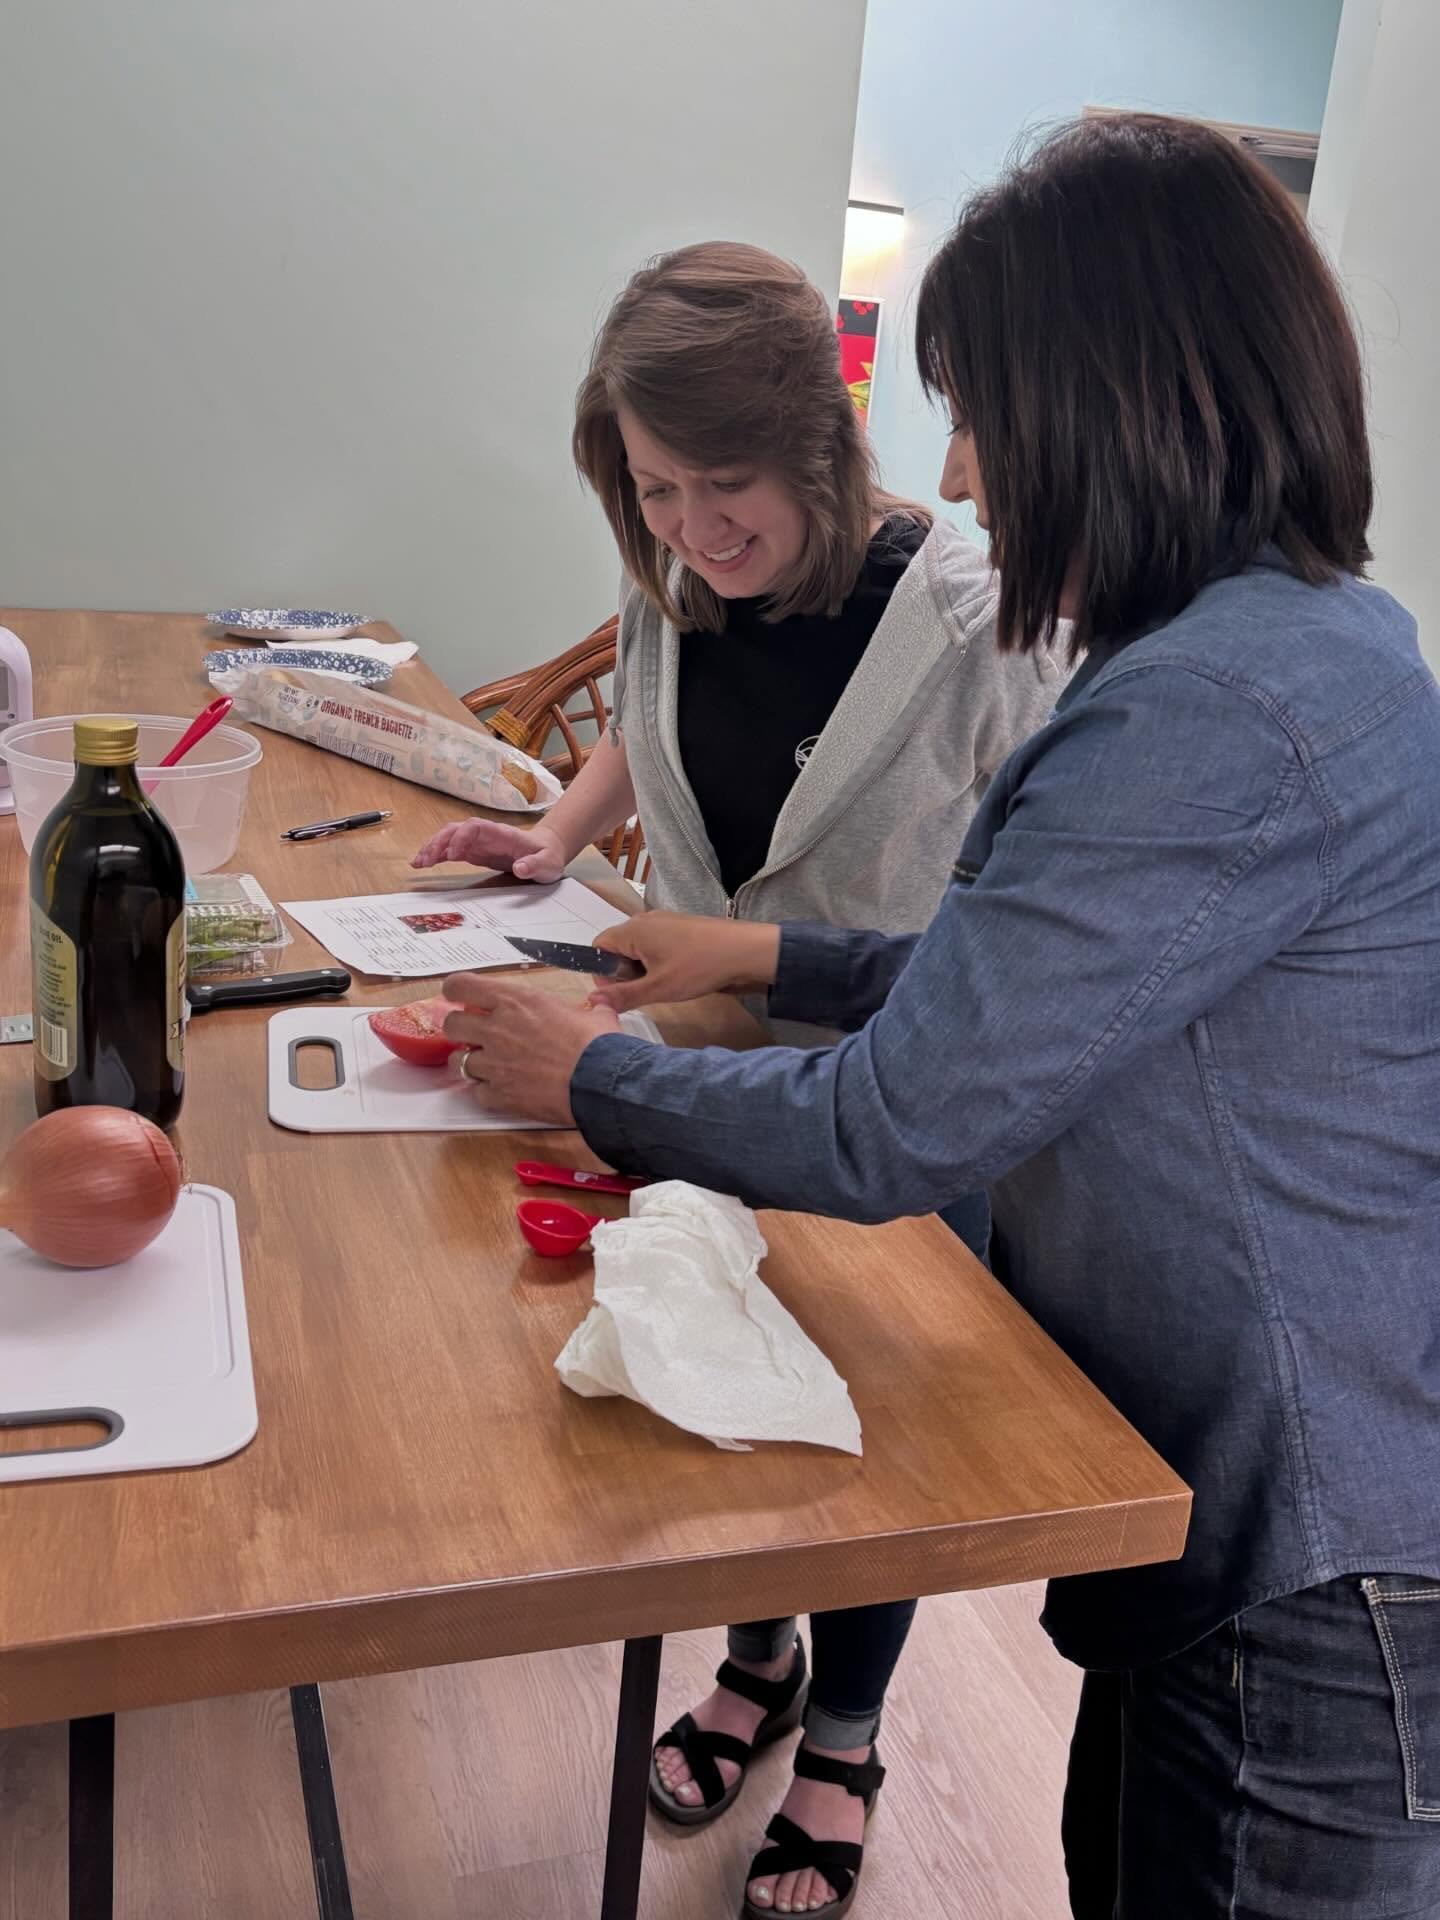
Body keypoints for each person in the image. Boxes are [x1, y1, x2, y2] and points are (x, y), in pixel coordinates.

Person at [439, 115, 1440, 1920]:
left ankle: (839, 1727)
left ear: (1117, 402)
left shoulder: (1201, 704)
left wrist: (592, 1078)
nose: (965, 474)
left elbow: (900, 1118)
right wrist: (757, 963)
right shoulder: (1295, 644)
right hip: (1292, 1536)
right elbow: (1044, 986)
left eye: (980, 411)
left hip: (1320, 1567)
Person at [413, 243, 1066, 1910]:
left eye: (728, 487)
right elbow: (651, 701)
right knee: (714, 1371)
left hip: (894, 1089)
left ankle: (844, 1732)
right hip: (692, 1063)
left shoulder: (980, 619)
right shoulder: (670, 575)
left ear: (824, 453)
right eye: (651, 489)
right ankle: (757, 1654)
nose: (693, 529)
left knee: (872, 1440)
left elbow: (1034, 890)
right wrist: (554, 830)